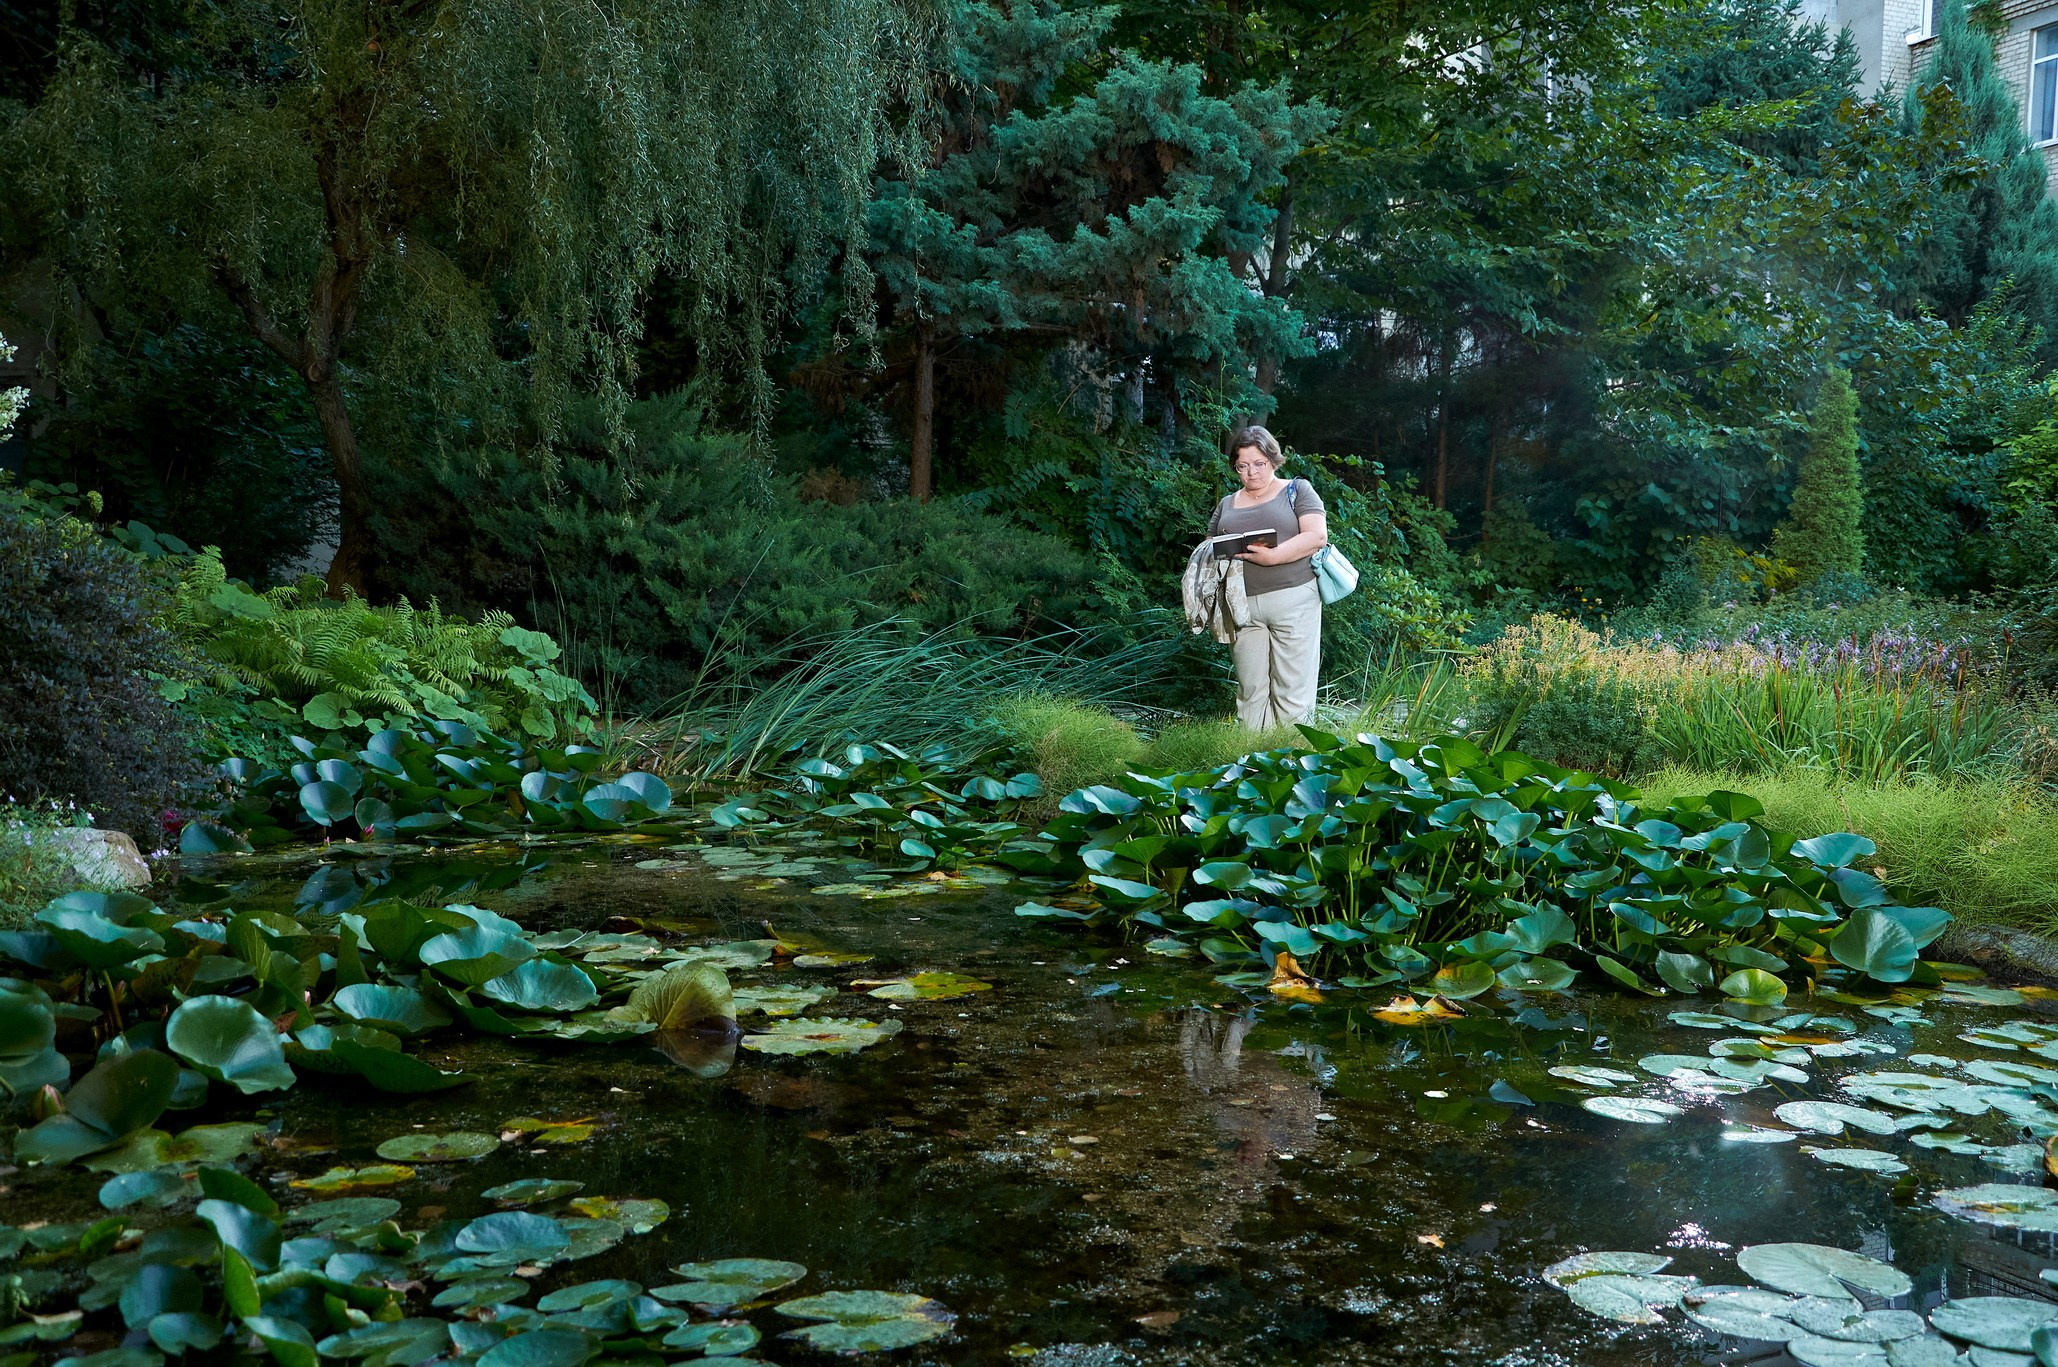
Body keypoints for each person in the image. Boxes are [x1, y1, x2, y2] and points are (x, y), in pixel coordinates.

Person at [1208, 426, 1327, 731]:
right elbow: (1208, 548)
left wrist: (1275, 556)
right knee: (1251, 693)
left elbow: (1316, 537)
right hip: (1241, 604)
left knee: (1292, 693)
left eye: (1259, 463)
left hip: (1294, 599)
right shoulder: (1226, 503)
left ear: (1274, 461)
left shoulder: (1297, 490)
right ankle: (1252, 768)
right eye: (1242, 466)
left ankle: (1295, 766)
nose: (1251, 473)